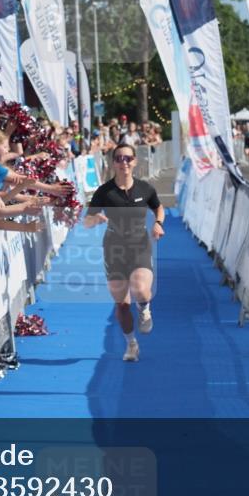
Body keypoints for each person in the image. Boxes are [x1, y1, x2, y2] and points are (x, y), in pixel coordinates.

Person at [83, 144, 164, 363]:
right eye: (119, 158)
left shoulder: (145, 189)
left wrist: (157, 223)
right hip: (114, 249)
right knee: (122, 304)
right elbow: (87, 221)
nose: (124, 162)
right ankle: (131, 344)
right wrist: (95, 219)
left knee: (141, 290)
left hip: (139, 245)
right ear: (113, 163)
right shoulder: (104, 191)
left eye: (128, 158)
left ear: (134, 161)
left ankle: (145, 308)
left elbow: (158, 207)